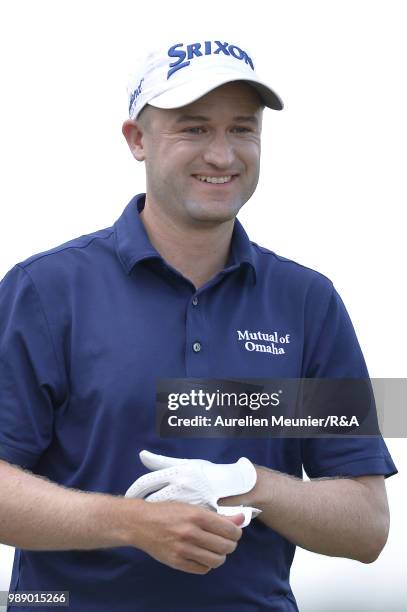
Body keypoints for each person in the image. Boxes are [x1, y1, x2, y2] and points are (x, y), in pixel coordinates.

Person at [0, 38, 397, 612]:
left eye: (242, 129)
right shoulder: (46, 291)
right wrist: (136, 524)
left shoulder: (307, 303)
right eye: (193, 129)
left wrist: (247, 481)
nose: (222, 154)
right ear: (137, 139)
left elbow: (366, 527)